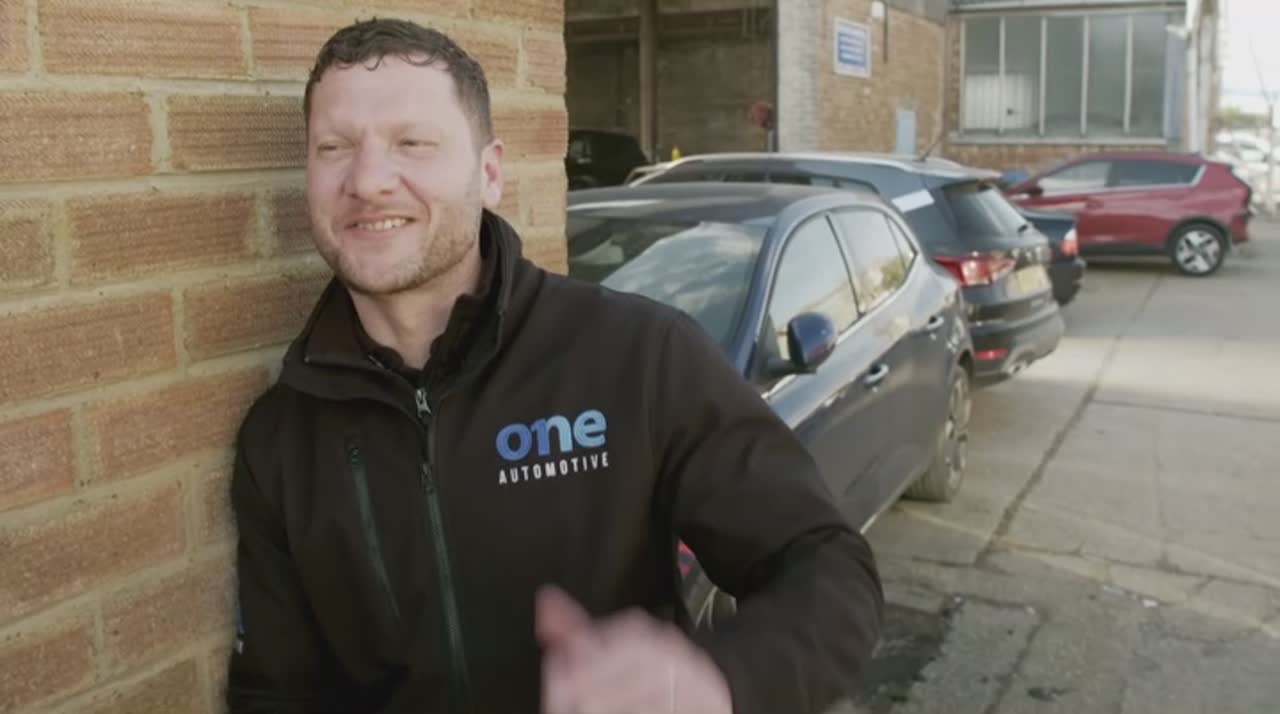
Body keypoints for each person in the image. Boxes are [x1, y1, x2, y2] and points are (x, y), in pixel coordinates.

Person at [225, 16, 884, 714]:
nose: (367, 180)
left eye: (411, 143)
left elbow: (826, 564)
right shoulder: (282, 439)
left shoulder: (636, 356)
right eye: (334, 148)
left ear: (489, 174)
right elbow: (277, 695)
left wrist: (721, 680)